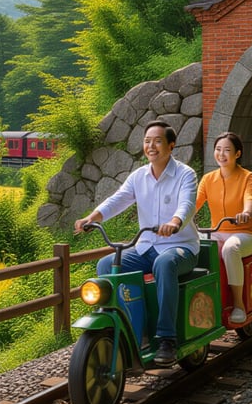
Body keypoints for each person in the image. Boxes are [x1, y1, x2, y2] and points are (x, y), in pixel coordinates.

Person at [74, 120, 199, 366]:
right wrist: (92, 217)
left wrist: (174, 221)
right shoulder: (138, 176)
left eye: (158, 141)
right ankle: (132, 328)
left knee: (164, 264)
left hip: (181, 248)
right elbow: (117, 200)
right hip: (146, 248)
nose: (151, 146)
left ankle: (166, 338)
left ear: (171, 146)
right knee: (107, 265)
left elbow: (186, 204)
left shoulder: (185, 174)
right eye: (147, 141)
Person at [195, 132, 252, 324]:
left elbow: (250, 198)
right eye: (218, 149)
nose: (221, 154)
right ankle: (205, 299)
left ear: (237, 154)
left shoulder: (248, 177)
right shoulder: (208, 179)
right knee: (193, 243)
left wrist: (246, 212)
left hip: (244, 234)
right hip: (216, 232)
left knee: (231, 248)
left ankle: (238, 304)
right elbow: (193, 204)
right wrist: (176, 219)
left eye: (227, 150)